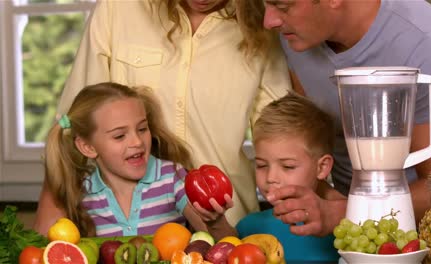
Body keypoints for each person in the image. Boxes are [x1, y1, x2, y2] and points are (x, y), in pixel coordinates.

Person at [33, 0, 292, 232]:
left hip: (226, 223)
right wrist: (46, 222)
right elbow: (75, 125)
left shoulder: (264, 23)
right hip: (121, 230)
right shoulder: (117, 8)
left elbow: (286, 138)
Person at [237, 0, 431, 237]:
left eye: (283, 6)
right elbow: (313, 143)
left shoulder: (425, 42)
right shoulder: (295, 37)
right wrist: (328, 206)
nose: (269, 21)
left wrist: (342, 214)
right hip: (351, 227)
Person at [39, 82, 236, 239]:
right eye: (119, 136)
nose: (137, 141)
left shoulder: (172, 178)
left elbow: (223, 247)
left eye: (142, 129)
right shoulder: (82, 192)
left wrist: (215, 223)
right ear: (88, 147)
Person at [236, 93, 341, 262]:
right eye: (262, 165)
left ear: (321, 167)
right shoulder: (248, 226)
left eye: (287, 166)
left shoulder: (344, 224)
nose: (271, 177)